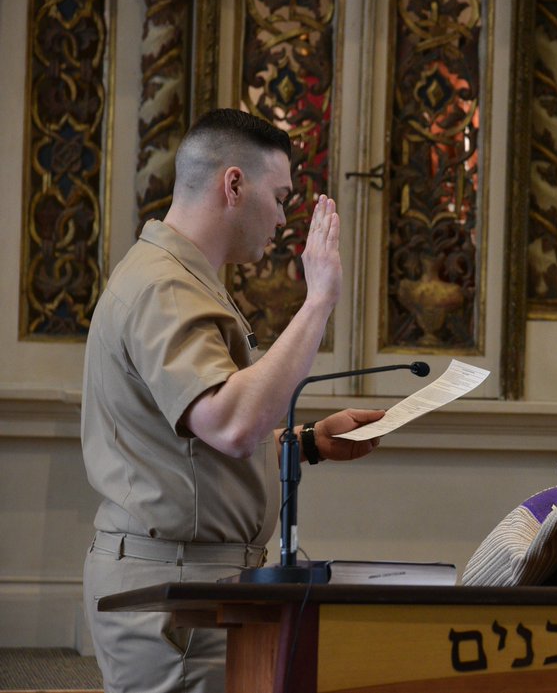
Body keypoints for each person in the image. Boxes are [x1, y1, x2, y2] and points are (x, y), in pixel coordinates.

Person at [81, 108, 384, 693]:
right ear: (234, 184)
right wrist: (319, 301)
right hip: (177, 588)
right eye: (280, 197)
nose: (284, 218)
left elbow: (195, 441)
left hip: (194, 576)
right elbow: (232, 424)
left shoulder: (181, 278)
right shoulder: (164, 286)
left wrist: (307, 442)